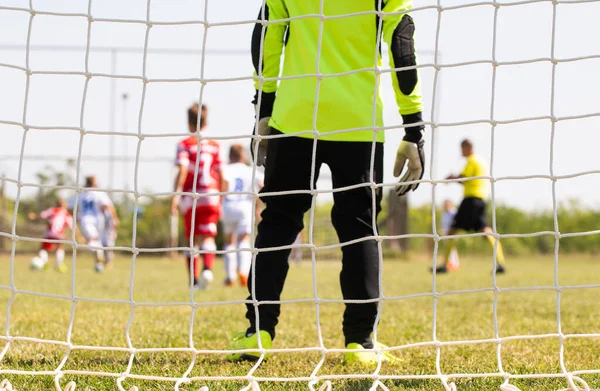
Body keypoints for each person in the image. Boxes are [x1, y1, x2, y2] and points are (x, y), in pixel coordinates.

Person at [227, 0, 426, 365]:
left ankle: (259, 332)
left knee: (278, 224)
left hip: (295, 116)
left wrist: (265, 108)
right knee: (360, 228)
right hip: (358, 122)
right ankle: (360, 342)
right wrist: (413, 127)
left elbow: (268, 35)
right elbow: (402, 43)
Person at [432, 139, 506, 274]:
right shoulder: (481, 161)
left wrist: (451, 178)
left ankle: (445, 265)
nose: (461, 152)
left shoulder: (472, 160)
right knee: (486, 231)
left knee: (452, 231)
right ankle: (500, 264)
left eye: (462, 149)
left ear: (466, 147)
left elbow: (463, 178)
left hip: (471, 200)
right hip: (480, 200)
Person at [172, 103, 222, 290]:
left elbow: (183, 169)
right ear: (206, 121)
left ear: (189, 123)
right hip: (211, 194)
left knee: (191, 239)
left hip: (191, 196)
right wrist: (221, 197)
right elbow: (221, 174)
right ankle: (207, 270)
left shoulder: (185, 144)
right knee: (208, 237)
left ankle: (193, 281)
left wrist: (176, 194)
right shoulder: (215, 145)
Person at [221, 144, 263, 287]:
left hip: (228, 205)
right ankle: (244, 272)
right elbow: (262, 185)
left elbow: (223, 185)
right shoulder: (250, 170)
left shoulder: (226, 169)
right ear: (243, 156)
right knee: (243, 240)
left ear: (229, 156)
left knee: (229, 241)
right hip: (245, 206)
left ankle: (230, 277)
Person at [68, 176, 119, 272]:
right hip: (99, 219)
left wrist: (75, 216)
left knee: (93, 239)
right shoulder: (100, 194)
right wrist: (115, 219)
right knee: (98, 239)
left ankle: (99, 258)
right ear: (95, 183)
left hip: (86, 219)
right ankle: (99, 261)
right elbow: (109, 207)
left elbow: (69, 207)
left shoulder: (81, 194)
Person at [28, 198, 73, 273]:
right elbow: (72, 226)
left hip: (50, 233)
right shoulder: (66, 214)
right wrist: (77, 236)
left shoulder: (52, 210)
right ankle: (59, 265)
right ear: (64, 205)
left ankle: (44, 263)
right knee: (59, 248)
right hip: (59, 234)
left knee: (43, 249)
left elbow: (43, 215)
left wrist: (34, 216)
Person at [440, 199, 459, 271]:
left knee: (452, 249)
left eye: (447, 204)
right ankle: (450, 264)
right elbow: (443, 224)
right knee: (449, 249)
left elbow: (455, 223)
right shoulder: (444, 214)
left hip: (452, 233)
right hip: (445, 234)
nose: (445, 206)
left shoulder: (454, 212)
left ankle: (454, 265)